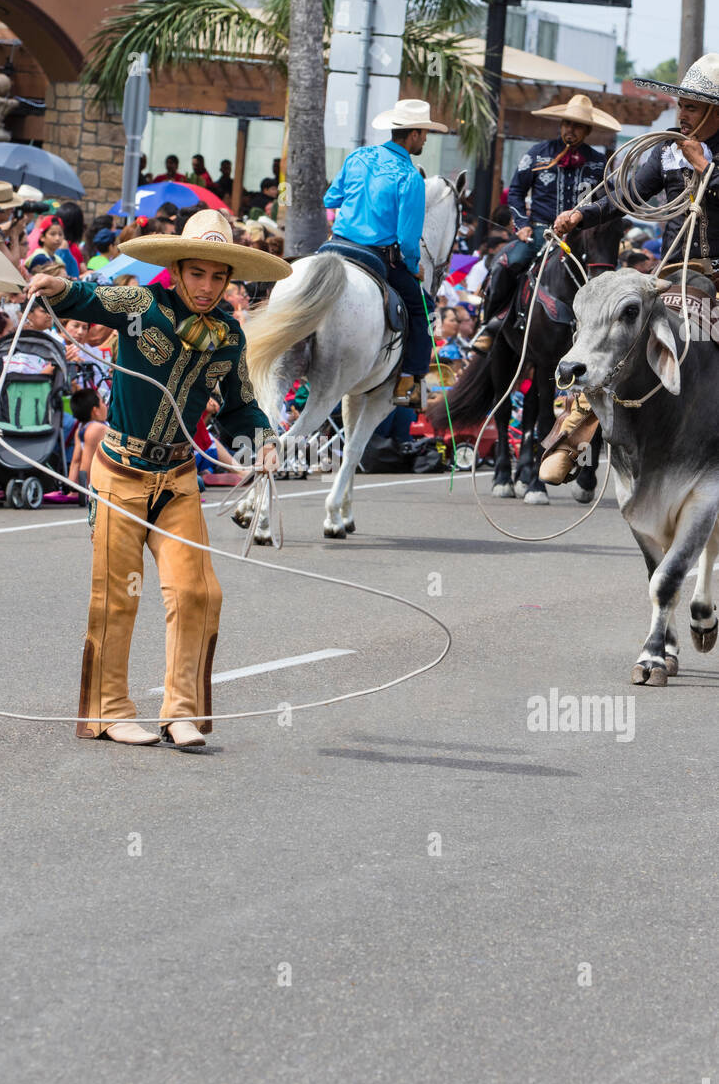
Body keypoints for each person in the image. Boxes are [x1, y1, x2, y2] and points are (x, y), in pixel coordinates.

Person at [25, 209, 290, 750]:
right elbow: (86, 298)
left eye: (220, 277)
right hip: (120, 473)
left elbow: (239, 408)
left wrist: (261, 442)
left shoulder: (230, 337)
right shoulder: (140, 304)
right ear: (176, 269)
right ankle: (107, 712)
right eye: (198, 273)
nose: (208, 286)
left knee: (198, 591)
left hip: (178, 477)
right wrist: (57, 285)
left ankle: (180, 712)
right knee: (117, 597)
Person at [544, 53, 719, 485]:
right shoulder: (664, 152)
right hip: (674, 271)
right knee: (615, 324)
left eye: (693, 107)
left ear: (715, 111)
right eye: (682, 105)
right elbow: (626, 196)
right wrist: (582, 215)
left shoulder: (698, 156)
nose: (682, 114)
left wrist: (704, 168)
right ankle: (574, 433)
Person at [323, 97, 448, 408]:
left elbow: (331, 198)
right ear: (415, 133)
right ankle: (410, 381)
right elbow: (407, 240)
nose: (426, 139)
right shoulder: (410, 177)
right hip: (375, 256)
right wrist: (414, 266)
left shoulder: (357, 157)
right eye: (425, 133)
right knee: (423, 308)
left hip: (335, 246)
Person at [482, 93, 619, 325]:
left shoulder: (599, 163)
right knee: (504, 265)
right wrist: (522, 225)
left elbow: (610, 200)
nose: (571, 130)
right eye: (567, 123)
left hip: (581, 237)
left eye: (578, 126)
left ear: (588, 131)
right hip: (539, 233)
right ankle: (490, 325)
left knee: (608, 277)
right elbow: (515, 192)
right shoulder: (537, 154)